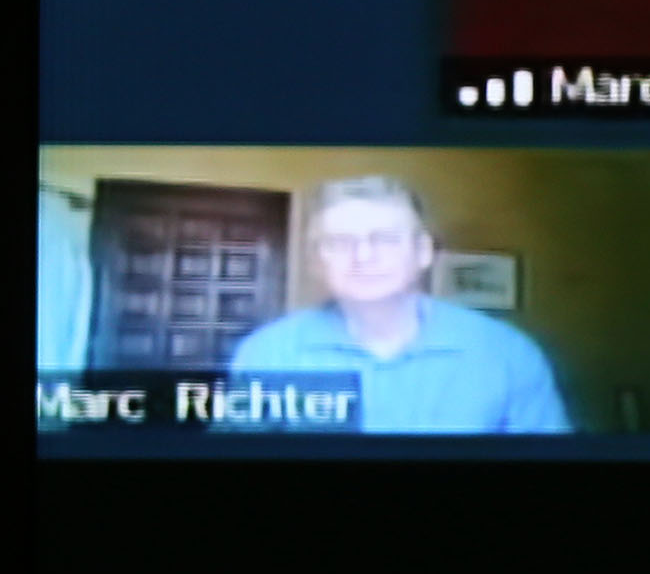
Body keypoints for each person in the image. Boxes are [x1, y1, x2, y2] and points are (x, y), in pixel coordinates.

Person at [222, 177, 571, 433]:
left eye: (385, 239)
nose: (363, 256)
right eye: (340, 242)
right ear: (316, 262)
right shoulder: (267, 353)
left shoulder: (507, 353)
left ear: (423, 252)